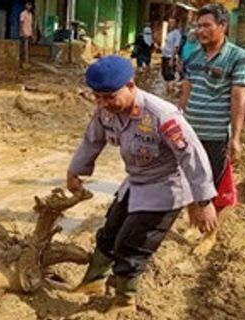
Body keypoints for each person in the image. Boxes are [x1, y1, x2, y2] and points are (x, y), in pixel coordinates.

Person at [67, 56, 217, 315]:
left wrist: (204, 201)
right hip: (135, 184)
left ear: (131, 85)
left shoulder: (161, 115)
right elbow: (92, 140)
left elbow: (191, 155)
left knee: (131, 245)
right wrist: (75, 170)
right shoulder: (105, 109)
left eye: (110, 97)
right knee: (109, 233)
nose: (103, 103)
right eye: (98, 97)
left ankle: (125, 301)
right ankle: (93, 282)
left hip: (165, 188)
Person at [179, 3, 245, 188]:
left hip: (215, 138)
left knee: (210, 190)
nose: (201, 31)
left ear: (222, 26)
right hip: (189, 135)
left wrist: (235, 138)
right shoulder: (193, 56)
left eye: (207, 25)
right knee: (187, 186)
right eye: (199, 26)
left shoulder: (238, 57)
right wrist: (178, 123)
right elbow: (186, 93)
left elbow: (238, 98)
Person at [161, 18, 183, 95]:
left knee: (170, 76)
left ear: (176, 24)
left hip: (170, 57)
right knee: (165, 75)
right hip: (165, 56)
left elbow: (176, 47)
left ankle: (170, 95)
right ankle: (168, 94)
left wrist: (172, 59)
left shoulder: (177, 33)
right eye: (169, 22)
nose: (170, 24)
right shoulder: (169, 33)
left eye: (172, 22)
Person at [19, 2, 34, 67]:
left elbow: (31, 25)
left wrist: (32, 33)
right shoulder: (23, 13)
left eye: (30, 5)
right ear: (26, 5)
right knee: (25, 49)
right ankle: (25, 62)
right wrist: (23, 32)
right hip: (24, 34)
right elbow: (21, 24)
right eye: (28, 5)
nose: (29, 6)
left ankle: (24, 62)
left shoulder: (31, 14)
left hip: (29, 33)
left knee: (27, 49)